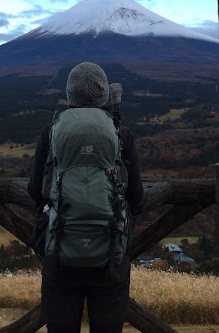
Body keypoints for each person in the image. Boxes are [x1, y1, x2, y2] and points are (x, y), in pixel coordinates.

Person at [28, 62, 144, 333]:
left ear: (70, 95)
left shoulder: (51, 132)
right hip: (110, 253)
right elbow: (136, 196)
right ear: (104, 96)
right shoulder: (120, 134)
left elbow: (35, 190)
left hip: (60, 247)